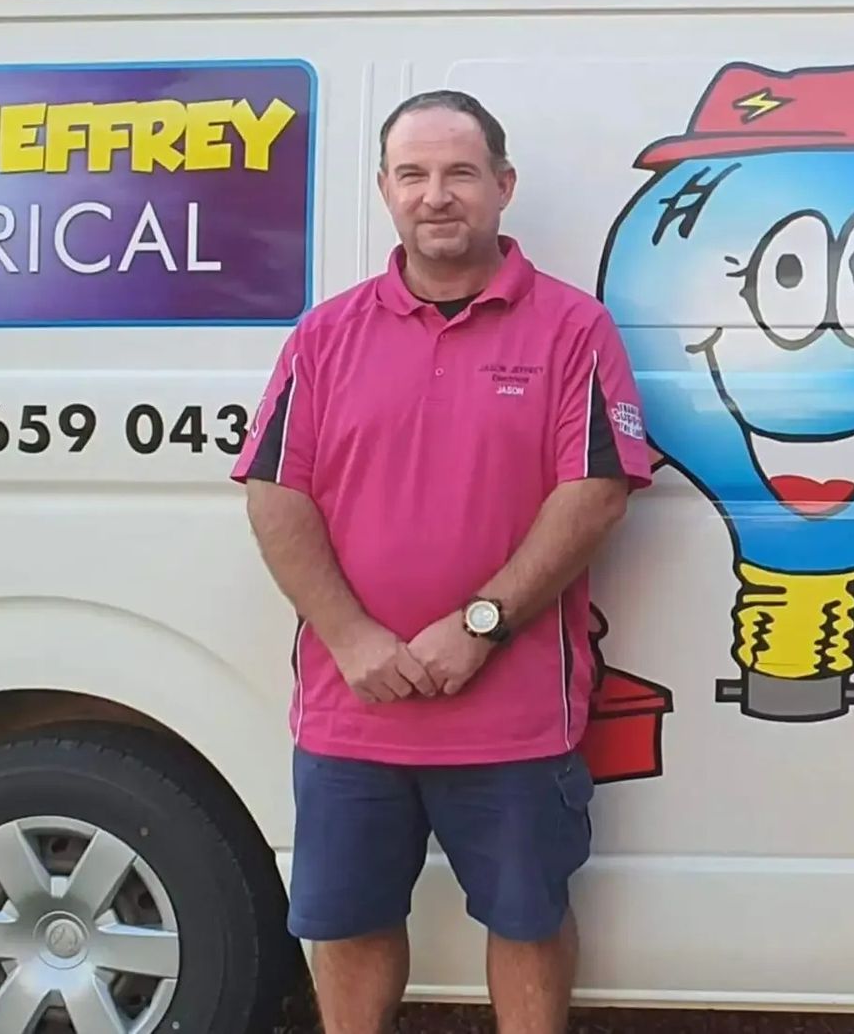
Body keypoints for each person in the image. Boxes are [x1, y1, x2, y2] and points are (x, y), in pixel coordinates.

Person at [231, 89, 654, 1034]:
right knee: (348, 923)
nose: (436, 195)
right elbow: (275, 493)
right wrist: (352, 638)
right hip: (353, 707)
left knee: (528, 920)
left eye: (460, 172)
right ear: (384, 189)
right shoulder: (326, 334)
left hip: (513, 716)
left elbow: (595, 492)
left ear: (503, 186)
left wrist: (480, 626)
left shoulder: (573, 329)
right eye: (413, 174)